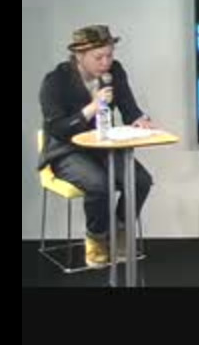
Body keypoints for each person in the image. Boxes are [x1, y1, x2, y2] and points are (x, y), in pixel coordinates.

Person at [37, 25, 156, 268]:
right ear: (79, 56)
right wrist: (93, 107)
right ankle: (96, 238)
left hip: (102, 145)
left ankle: (119, 231)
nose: (106, 62)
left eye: (109, 55)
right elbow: (58, 128)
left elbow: (128, 107)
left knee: (141, 180)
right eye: (98, 57)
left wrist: (139, 119)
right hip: (66, 151)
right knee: (98, 184)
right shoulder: (56, 81)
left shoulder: (115, 71)